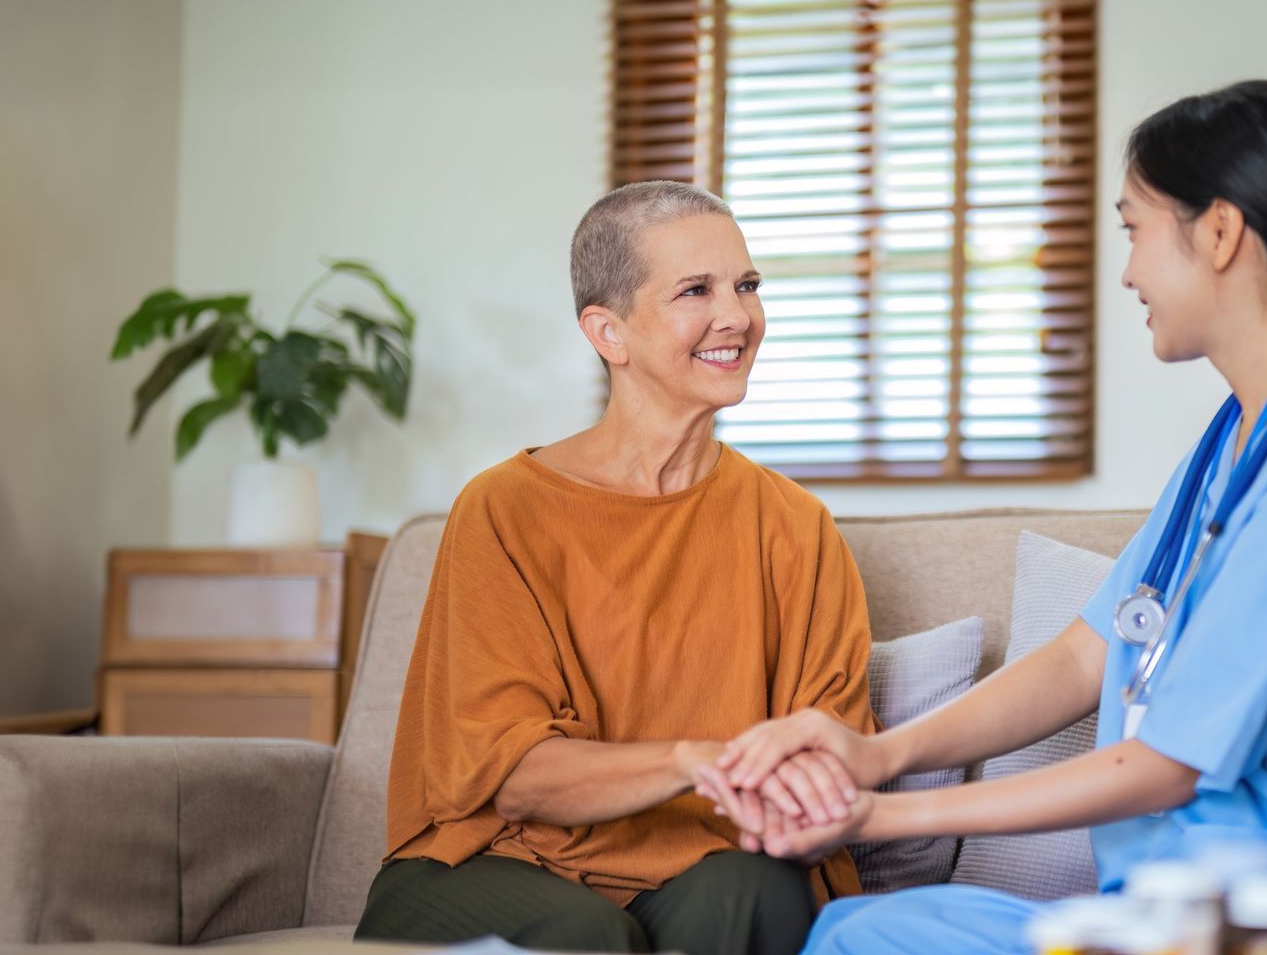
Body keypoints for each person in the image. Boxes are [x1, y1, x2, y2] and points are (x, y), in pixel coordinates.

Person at [697, 81, 1267, 955]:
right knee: (864, 927)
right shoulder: (1241, 437)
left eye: (1135, 230)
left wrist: (874, 814)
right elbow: (1086, 653)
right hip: (1172, 908)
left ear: (1219, 233)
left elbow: (1167, 764)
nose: (1128, 271)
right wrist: (874, 754)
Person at [355, 181, 878, 955]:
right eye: (695, 290)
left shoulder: (795, 527)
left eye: (747, 285)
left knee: (758, 890)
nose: (737, 315)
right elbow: (516, 775)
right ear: (609, 332)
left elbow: (831, 756)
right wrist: (690, 761)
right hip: (494, 859)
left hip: (699, 867)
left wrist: (799, 784)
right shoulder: (503, 510)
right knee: (589, 935)